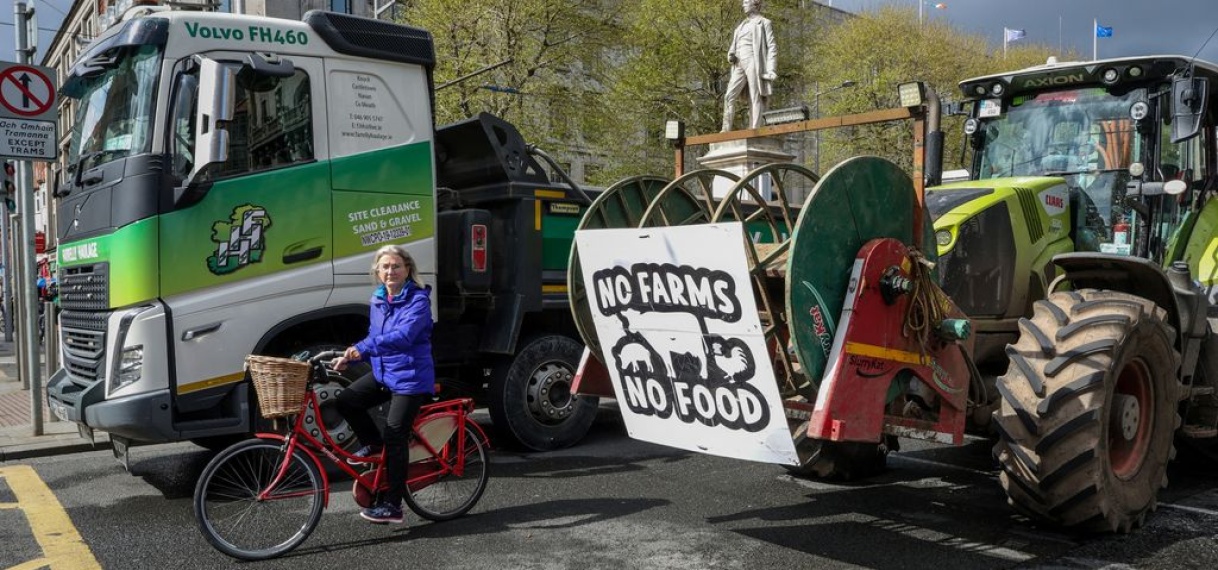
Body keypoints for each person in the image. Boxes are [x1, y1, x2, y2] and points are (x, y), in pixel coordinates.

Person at [334, 244, 435, 524]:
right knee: (346, 400)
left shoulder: (418, 301)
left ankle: (393, 505)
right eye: (385, 267)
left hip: (410, 378)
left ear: (407, 269)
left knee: (395, 435)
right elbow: (374, 337)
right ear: (377, 271)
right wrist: (350, 358)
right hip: (384, 374)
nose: (391, 271)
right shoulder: (378, 299)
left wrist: (361, 350)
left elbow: (403, 337)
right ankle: (373, 445)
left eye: (396, 266)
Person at [722, 0, 778, 132]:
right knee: (729, 96)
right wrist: (730, 56)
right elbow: (733, 47)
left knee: (754, 96)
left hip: (754, 61)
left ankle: (754, 128)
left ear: (755, 5)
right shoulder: (740, 26)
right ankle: (725, 129)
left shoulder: (764, 23)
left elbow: (772, 47)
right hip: (738, 63)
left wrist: (771, 69)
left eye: (746, 2)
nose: (743, 5)